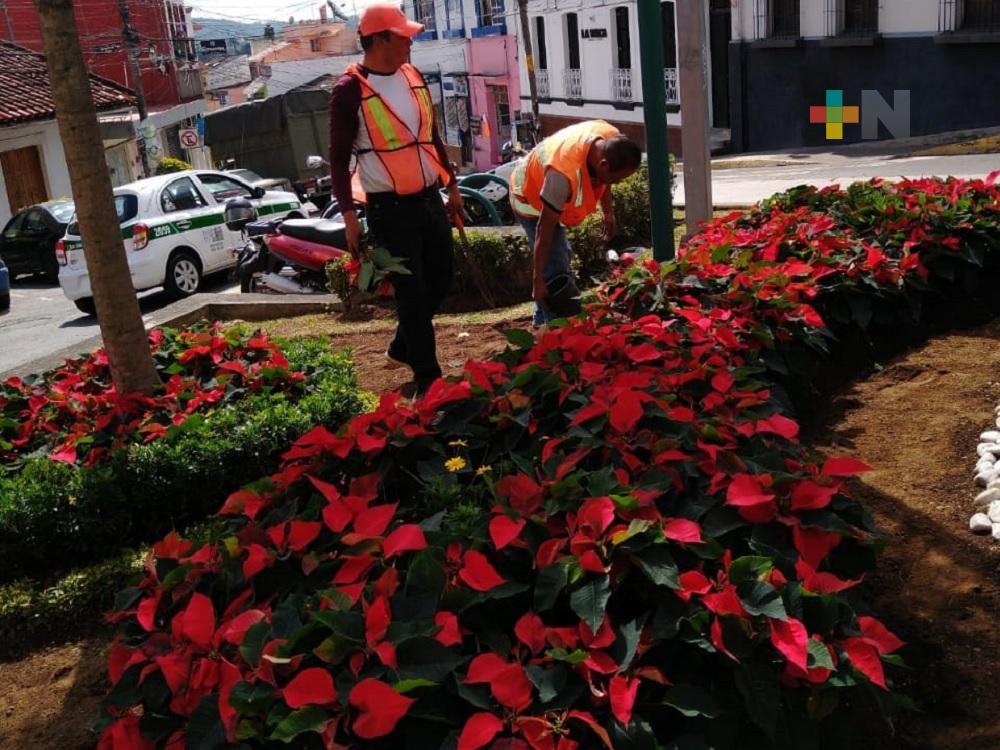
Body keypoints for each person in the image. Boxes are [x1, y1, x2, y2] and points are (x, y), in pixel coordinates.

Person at [328, 2, 463, 398]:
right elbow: (337, 159)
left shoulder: (412, 75)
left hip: (429, 198)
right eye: (403, 35)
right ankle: (428, 379)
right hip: (388, 209)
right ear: (381, 39)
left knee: (441, 281)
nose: (410, 41)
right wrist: (350, 216)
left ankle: (403, 346)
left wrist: (451, 185)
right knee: (411, 293)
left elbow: (432, 137)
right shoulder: (349, 90)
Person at [509, 120, 643, 325]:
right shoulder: (561, 176)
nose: (614, 184)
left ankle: (541, 320)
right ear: (603, 165)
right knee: (555, 265)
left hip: (548, 190)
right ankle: (552, 324)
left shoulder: (610, 139)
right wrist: (537, 280)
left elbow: (605, 182)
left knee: (559, 256)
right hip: (528, 199)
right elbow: (543, 231)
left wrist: (608, 212)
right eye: (615, 179)